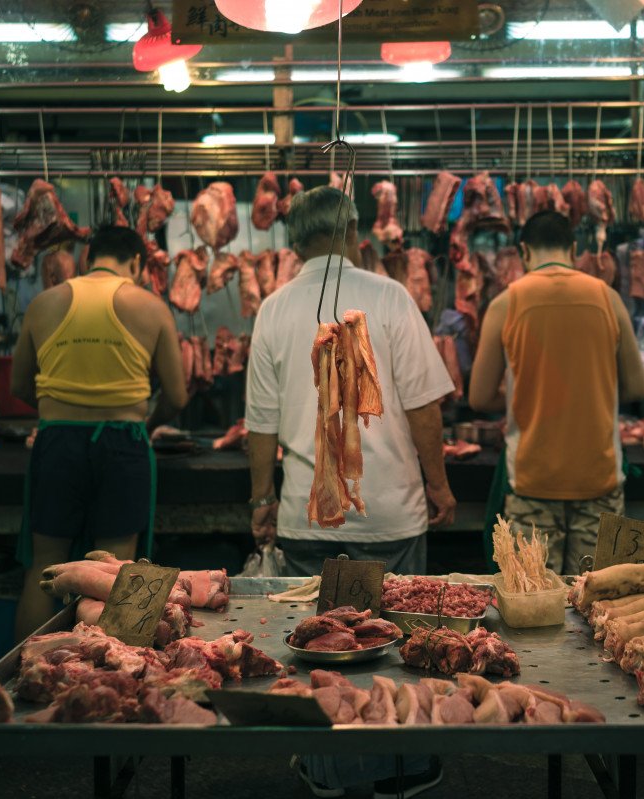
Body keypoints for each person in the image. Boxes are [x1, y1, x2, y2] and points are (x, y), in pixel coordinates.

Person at [245, 186, 455, 798]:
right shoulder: (391, 297)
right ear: (356, 231)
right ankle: (400, 769)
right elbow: (423, 408)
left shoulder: (274, 309)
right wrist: (439, 486)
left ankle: (328, 767)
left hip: (310, 522)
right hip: (391, 516)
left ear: (294, 241)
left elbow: (260, 425)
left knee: (322, 647)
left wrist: (261, 500)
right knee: (397, 648)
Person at [11, 226, 187, 641]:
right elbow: (177, 395)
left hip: (57, 442)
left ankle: (26, 677)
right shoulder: (150, 305)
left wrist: (64, 413)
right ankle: (109, 679)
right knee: (115, 570)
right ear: (138, 263)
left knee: (44, 566)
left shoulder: (44, 302)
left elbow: (19, 386)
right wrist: (144, 422)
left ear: (90, 256)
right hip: (123, 442)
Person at [469, 210, 644, 575]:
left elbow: (479, 397)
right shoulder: (608, 298)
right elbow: (636, 387)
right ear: (574, 248)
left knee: (532, 609)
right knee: (603, 608)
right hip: (601, 481)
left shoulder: (505, 303)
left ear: (523, 251)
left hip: (533, 485)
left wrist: (523, 395)